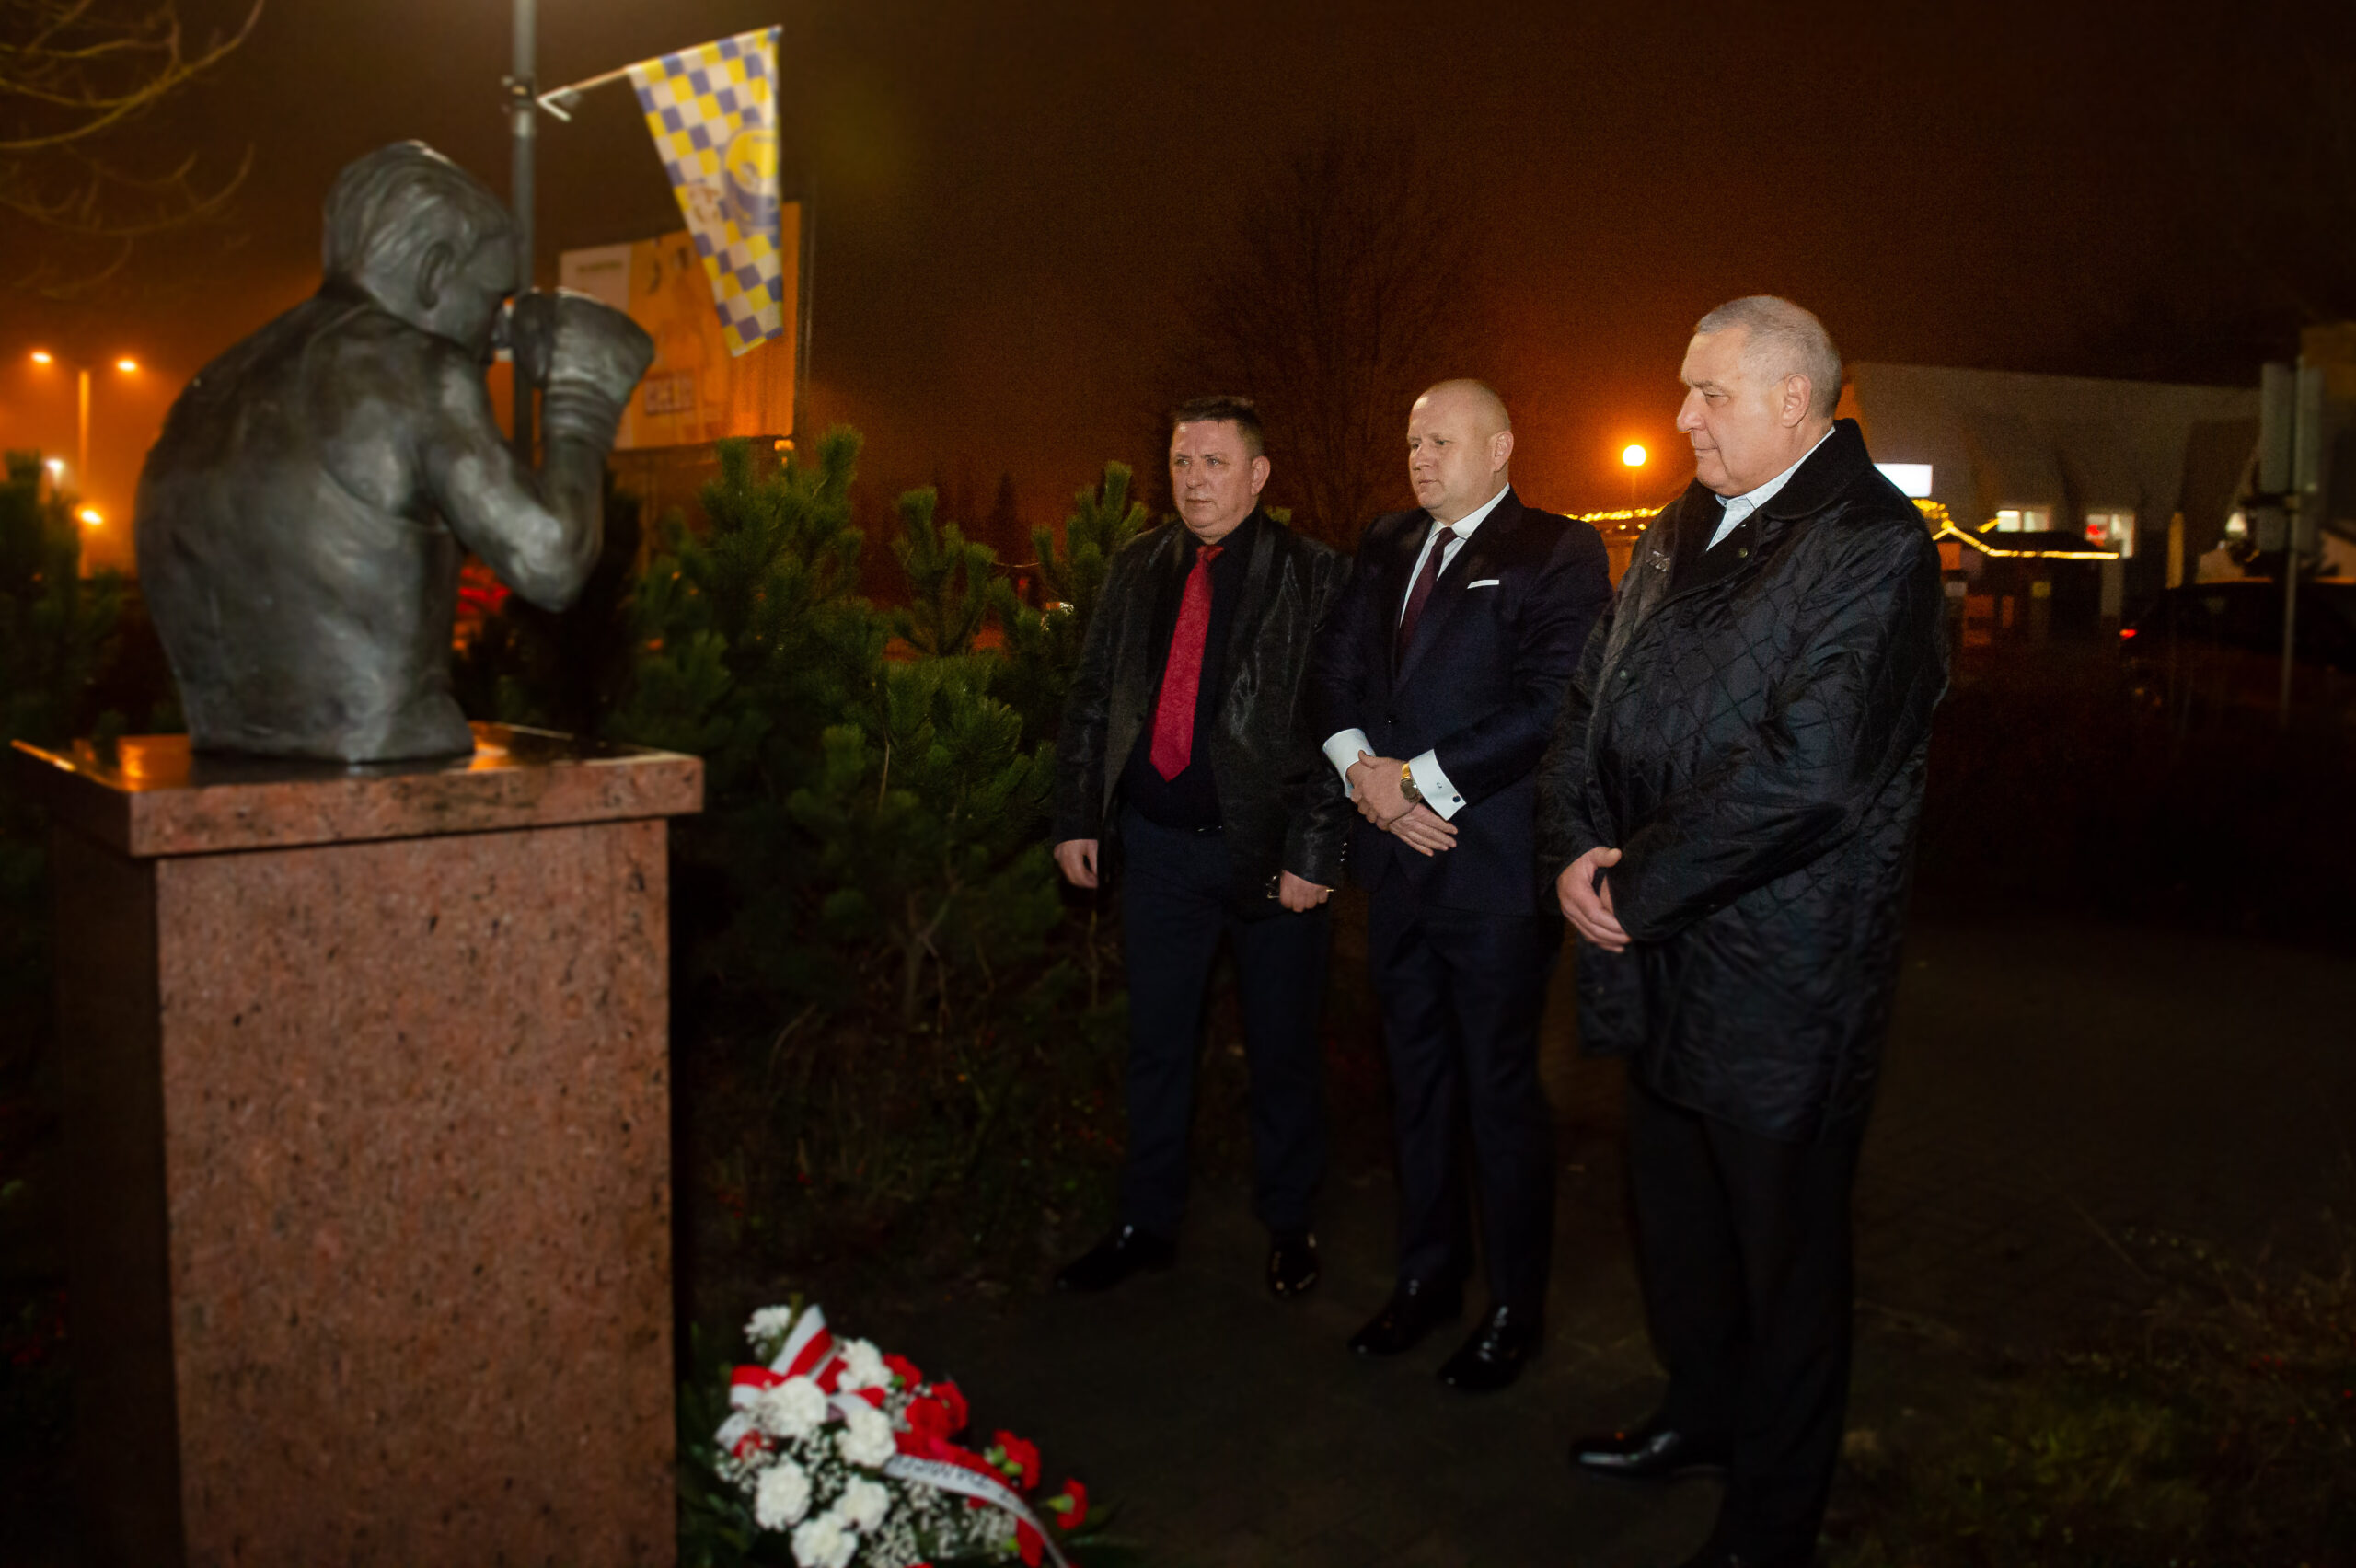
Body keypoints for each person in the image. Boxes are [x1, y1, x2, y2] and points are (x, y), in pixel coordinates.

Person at [1540, 297, 1947, 1568]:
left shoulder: (1873, 546)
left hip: (1783, 976)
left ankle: (1773, 1524)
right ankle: (1700, 1416)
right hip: (1660, 956)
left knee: (1786, 1267)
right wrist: (1575, 843)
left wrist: (1635, 884)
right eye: (1685, 390)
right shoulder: (1679, 526)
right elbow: (1590, 694)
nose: (1681, 418)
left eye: (1707, 394)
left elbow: (1813, 775)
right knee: (1680, 1228)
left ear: (1792, 400)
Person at [137, 141, 652, 763]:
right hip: (382, 737)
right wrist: (583, 392)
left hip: (229, 740)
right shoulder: (418, 371)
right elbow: (551, 561)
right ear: (434, 271)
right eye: (491, 297)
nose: (496, 334)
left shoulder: (208, 387)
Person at [1309, 379, 1611, 1390]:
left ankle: (1514, 1309)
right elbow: (1333, 674)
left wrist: (1412, 784)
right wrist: (1366, 779)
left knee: (1498, 1096)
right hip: (1396, 871)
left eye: (1441, 441)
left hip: (1489, 881)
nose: (1420, 458)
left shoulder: (1557, 551)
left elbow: (1551, 703)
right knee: (1417, 1087)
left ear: (1501, 447)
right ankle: (1426, 1280)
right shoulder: (1386, 541)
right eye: (1412, 441)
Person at [1050, 396, 1351, 1298]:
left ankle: (1290, 1224)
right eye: (1182, 462)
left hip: (1270, 857)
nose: (1194, 481)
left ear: (1257, 475)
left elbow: (1343, 727)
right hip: (1160, 856)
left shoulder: (1314, 574)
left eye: (1215, 463)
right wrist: (1077, 815)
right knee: (1156, 1048)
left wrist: (1315, 853)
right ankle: (1146, 1224)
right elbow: (1094, 695)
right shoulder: (1140, 565)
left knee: (1282, 1051)